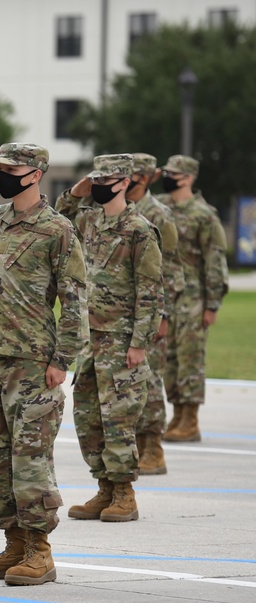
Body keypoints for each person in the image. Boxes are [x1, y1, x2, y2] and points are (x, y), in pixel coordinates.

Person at [0, 142, 88, 586]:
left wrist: (62, 359)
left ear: (35, 174)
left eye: (10, 170)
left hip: (33, 359)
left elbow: (75, 299)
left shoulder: (57, 229)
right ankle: (13, 545)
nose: (2, 175)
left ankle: (39, 552)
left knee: (30, 458)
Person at [56, 154, 162, 523]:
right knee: (87, 417)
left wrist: (139, 343)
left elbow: (150, 291)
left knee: (118, 417)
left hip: (120, 339)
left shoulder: (139, 229)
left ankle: (124, 493)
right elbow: (59, 217)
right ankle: (103, 487)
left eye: (105, 181)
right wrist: (75, 191)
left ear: (124, 182)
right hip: (89, 338)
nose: (98, 186)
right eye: (95, 180)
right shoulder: (88, 219)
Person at [156, 155, 229, 443]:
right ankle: (177, 414)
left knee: (190, 359)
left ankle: (191, 419)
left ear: (188, 178)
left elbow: (214, 260)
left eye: (174, 173)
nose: (168, 177)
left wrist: (212, 304)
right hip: (166, 297)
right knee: (170, 359)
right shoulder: (161, 207)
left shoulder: (204, 214)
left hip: (193, 298)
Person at [125, 153, 183, 474]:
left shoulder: (159, 215)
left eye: (131, 174)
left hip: (151, 309)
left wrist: (164, 315)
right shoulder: (118, 210)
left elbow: (171, 270)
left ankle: (153, 449)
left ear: (145, 178)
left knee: (150, 378)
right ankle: (132, 445)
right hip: (122, 310)